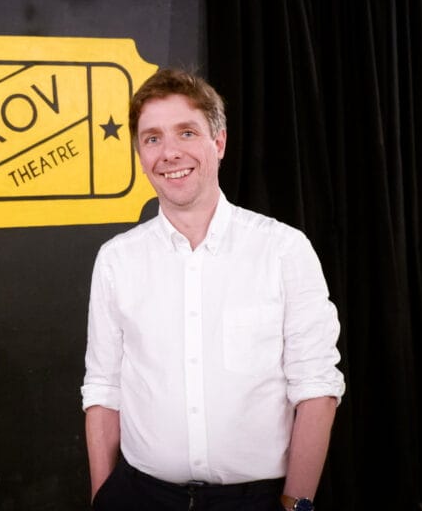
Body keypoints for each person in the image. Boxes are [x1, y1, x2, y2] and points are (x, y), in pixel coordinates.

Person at [81, 68, 345, 511]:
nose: (169, 152)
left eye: (186, 132)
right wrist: (102, 498)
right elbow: (103, 390)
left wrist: (295, 506)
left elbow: (317, 388)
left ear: (218, 143)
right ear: (139, 153)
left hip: (257, 501)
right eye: (152, 138)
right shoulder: (116, 260)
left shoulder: (284, 250)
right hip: (140, 496)